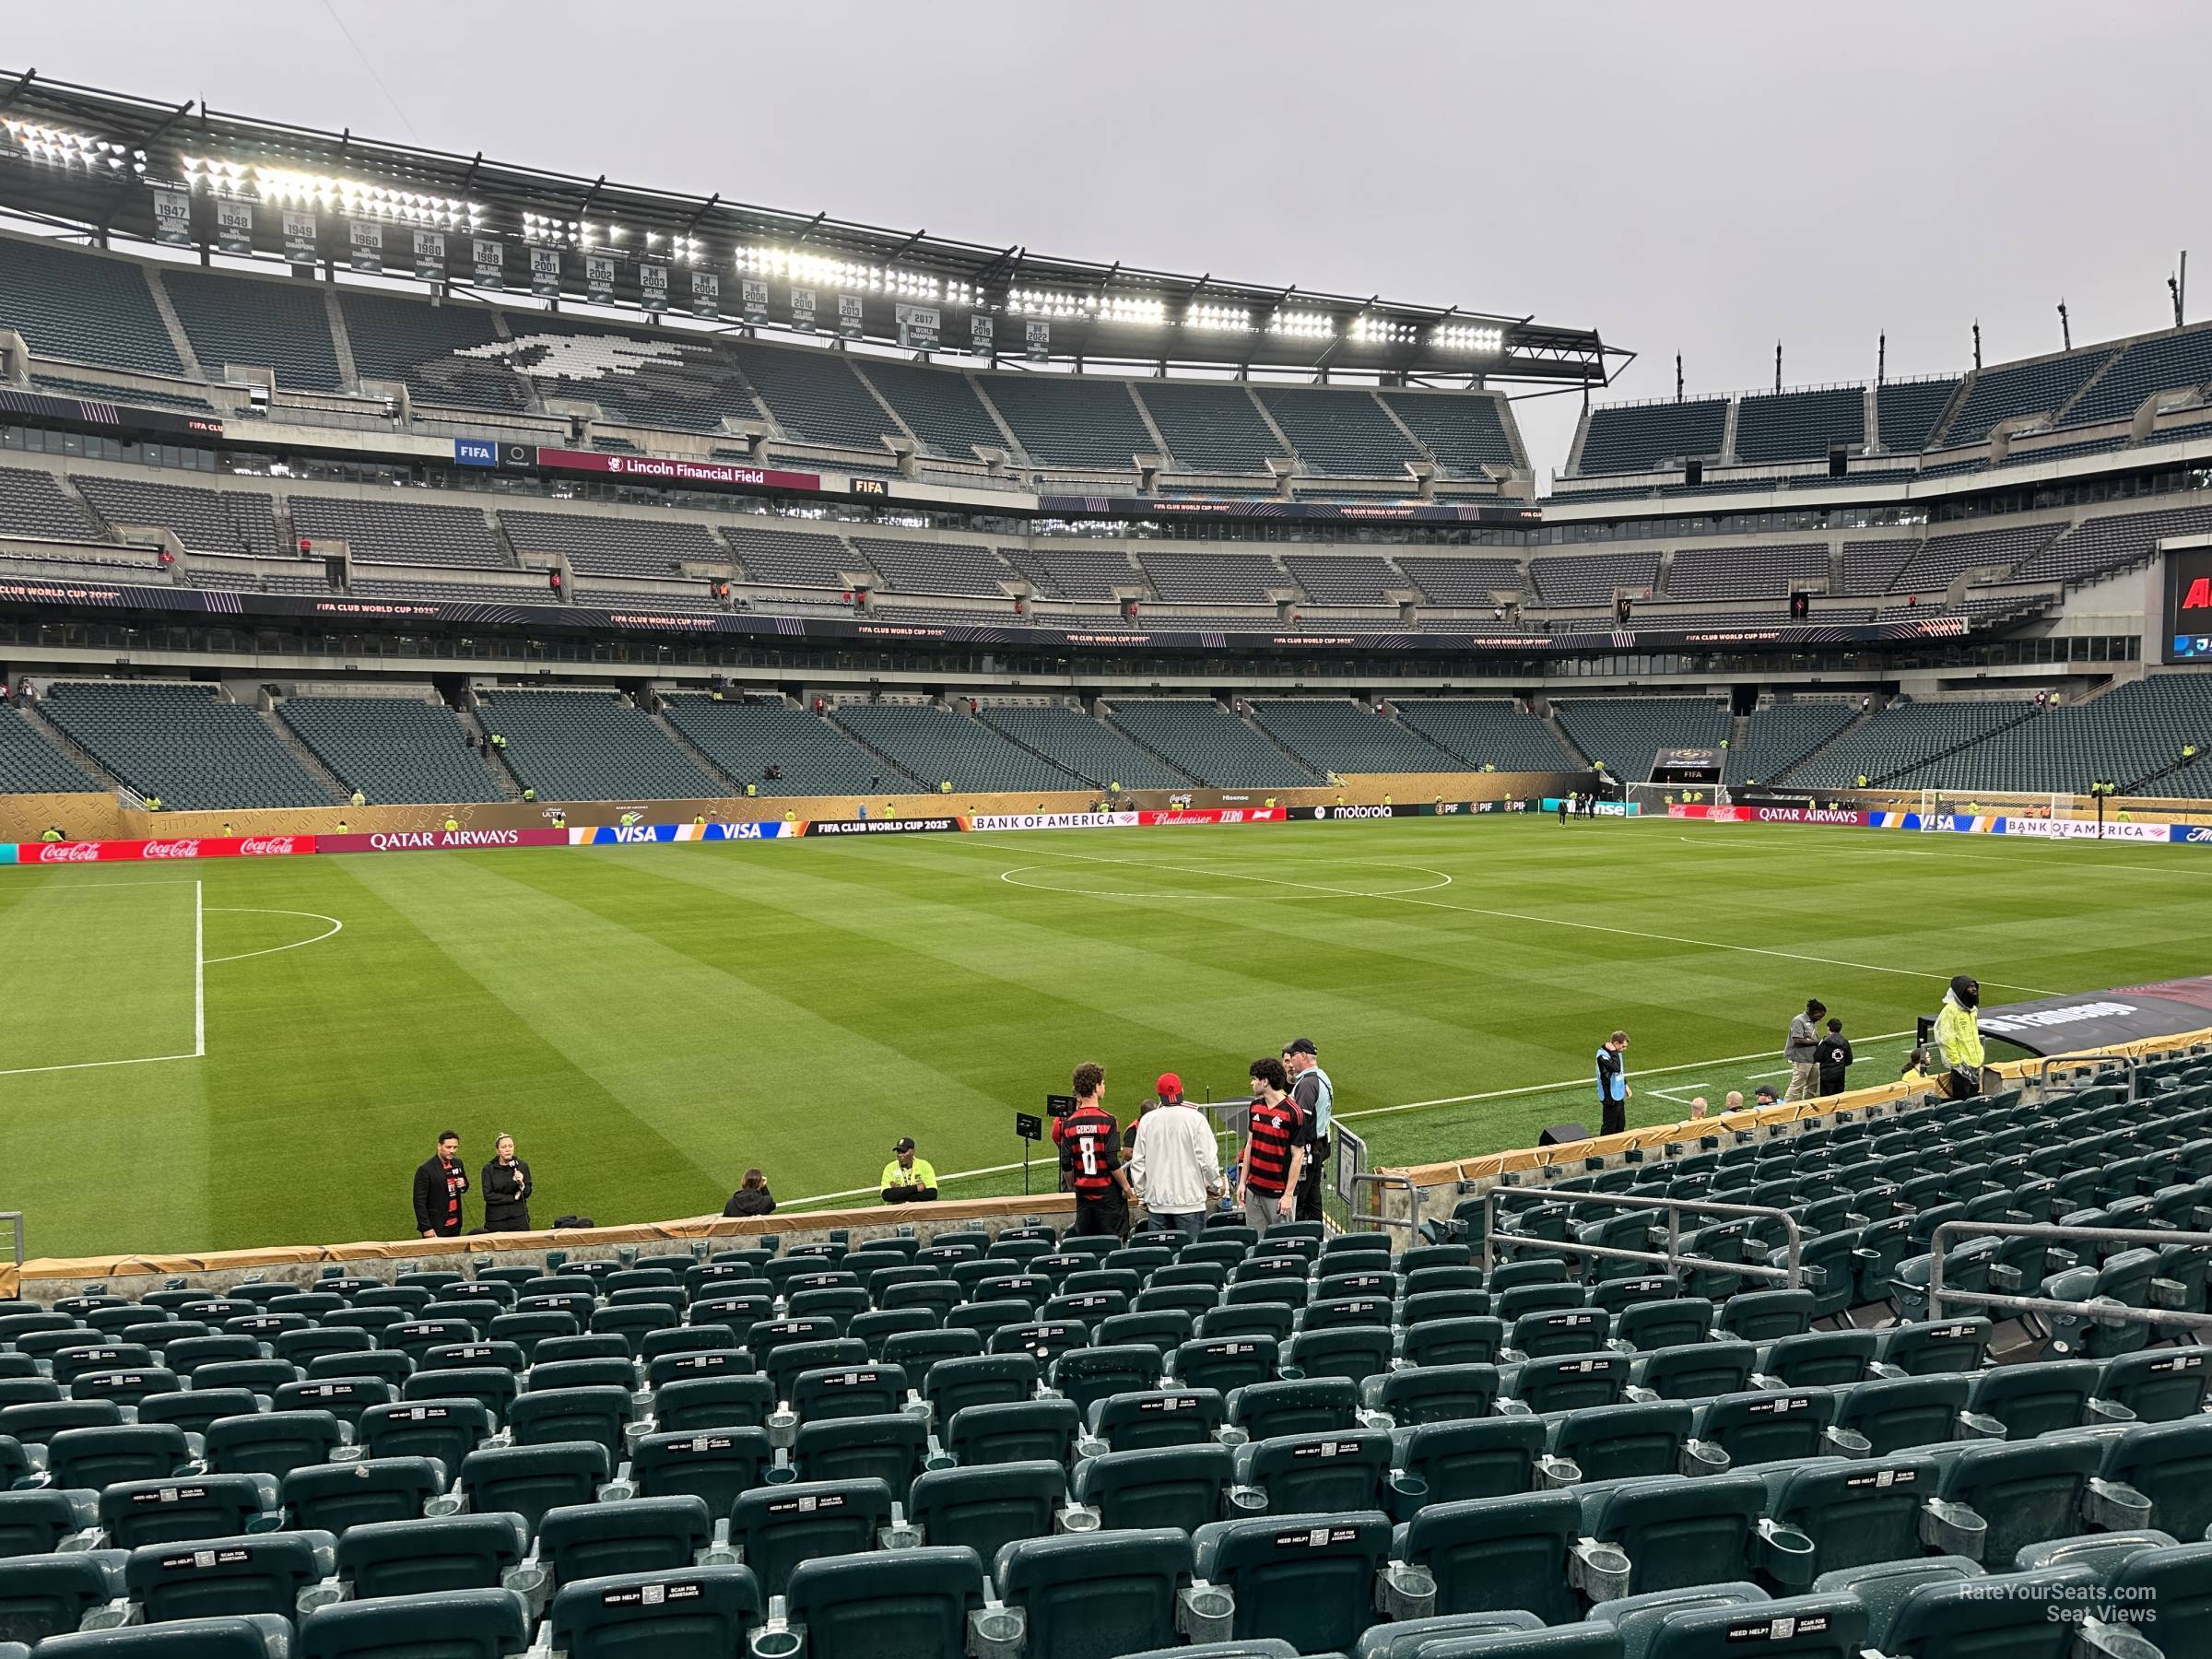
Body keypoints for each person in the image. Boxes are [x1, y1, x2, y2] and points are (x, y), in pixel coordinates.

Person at [1130, 1073, 1219, 1243]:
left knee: (1161, 1260)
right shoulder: (1196, 1119)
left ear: (1159, 1096)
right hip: (1190, 1202)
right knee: (1191, 1261)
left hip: (1158, 1204)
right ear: (1182, 1091)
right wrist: (1215, 1186)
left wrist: (1142, 1195)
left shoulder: (1147, 1121)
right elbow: (1208, 1161)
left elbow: (1138, 1162)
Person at [1061, 1063, 1134, 1238]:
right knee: (1112, 1241)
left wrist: (1072, 1184)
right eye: (1102, 1083)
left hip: (1084, 1195)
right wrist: (1125, 1186)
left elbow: (1065, 1161)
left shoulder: (1069, 1123)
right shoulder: (1108, 1121)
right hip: (1107, 1194)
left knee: (1087, 1241)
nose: (1104, 1087)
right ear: (1096, 1087)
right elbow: (1111, 1160)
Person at [1236, 1057, 1305, 1232]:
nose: (1251, 1083)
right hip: (1253, 1192)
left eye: (1254, 1079)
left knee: (1279, 1247)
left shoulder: (1293, 1112)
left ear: (1265, 1081)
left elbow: (1298, 1156)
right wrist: (1242, 1183)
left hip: (1278, 1195)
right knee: (1255, 1247)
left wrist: (1288, 1195)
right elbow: (1250, 1145)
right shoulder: (1254, 1107)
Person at [1284, 1037, 1334, 1222]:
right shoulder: (1321, 1077)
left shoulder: (1307, 1083)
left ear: (1303, 1056)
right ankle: (1316, 1240)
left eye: (1293, 1056)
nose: (1290, 1061)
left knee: (1302, 1203)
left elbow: (1300, 1120)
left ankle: (1303, 1241)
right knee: (1314, 1200)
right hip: (1318, 1147)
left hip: (1307, 1151)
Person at [1932, 975, 1984, 1100]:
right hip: (1961, 1065)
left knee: (1974, 1097)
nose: (1974, 989)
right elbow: (1946, 1038)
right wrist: (1957, 1063)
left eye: (1974, 986)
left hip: (1975, 1062)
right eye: (1970, 987)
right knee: (1962, 1097)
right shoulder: (1950, 1011)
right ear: (1961, 990)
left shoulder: (1972, 1010)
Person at [412, 1131, 469, 1239]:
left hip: (455, 1224)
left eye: (455, 1147)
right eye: (448, 1147)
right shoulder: (425, 1170)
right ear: (439, 1146)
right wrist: (426, 1228)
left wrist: (463, 1184)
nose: (452, 1151)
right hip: (437, 1227)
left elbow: (464, 1186)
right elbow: (419, 1201)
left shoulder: (458, 1163)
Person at [480, 1134, 532, 1232]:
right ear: (497, 1150)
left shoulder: (522, 1166)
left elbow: (527, 1192)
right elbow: (488, 1195)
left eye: (510, 1146)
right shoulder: (489, 1169)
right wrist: (513, 1198)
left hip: (519, 1217)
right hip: (497, 1219)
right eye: (504, 1147)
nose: (508, 1149)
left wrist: (521, 1183)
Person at [1784, 999, 1826, 1101]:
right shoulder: (1799, 1020)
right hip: (1801, 1059)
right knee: (1797, 1086)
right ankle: (1788, 1107)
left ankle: (1808, 1105)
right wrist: (1817, 1042)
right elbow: (1797, 1040)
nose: (1820, 1019)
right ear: (1814, 1011)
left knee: (1812, 1086)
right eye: (1819, 1016)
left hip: (1813, 1059)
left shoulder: (1811, 1021)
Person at [880, 1137, 939, 1203]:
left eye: (904, 1152)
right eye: (898, 1152)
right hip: (897, 1211)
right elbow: (886, 1195)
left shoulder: (924, 1165)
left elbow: (932, 1194)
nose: (900, 1155)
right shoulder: (890, 1168)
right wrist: (916, 1188)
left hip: (919, 1209)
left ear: (913, 1151)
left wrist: (899, 1193)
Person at [1594, 1030, 1630, 1135]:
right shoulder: (1602, 1056)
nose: (1624, 1049)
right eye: (1623, 1046)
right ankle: (1602, 1149)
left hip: (1618, 1093)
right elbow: (1616, 1068)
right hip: (1609, 1095)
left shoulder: (1616, 1053)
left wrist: (1625, 1084)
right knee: (1609, 1126)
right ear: (1616, 1044)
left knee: (1620, 1124)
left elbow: (1621, 1072)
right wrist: (1614, 1052)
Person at [1815, 1018, 1854, 1097]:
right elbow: (1849, 1060)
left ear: (1828, 1028)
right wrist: (1839, 1065)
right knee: (1839, 1097)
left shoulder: (1825, 1042)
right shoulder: (1844, 1042)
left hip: (1827, 1073)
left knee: (1826, 1098)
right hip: (1840, 1073)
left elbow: (1817, 1057)